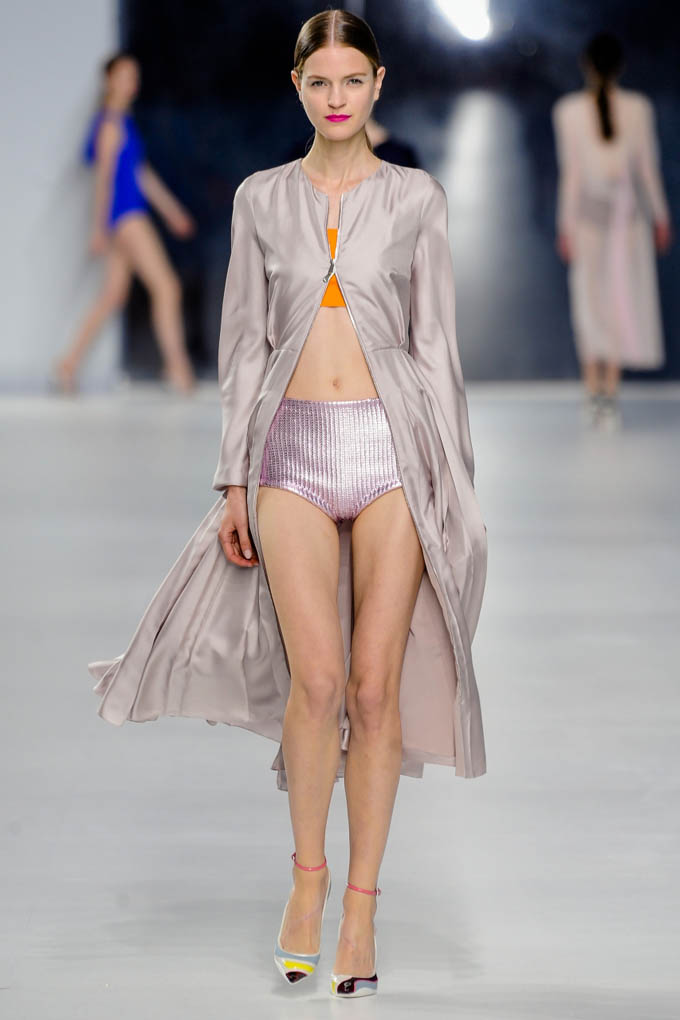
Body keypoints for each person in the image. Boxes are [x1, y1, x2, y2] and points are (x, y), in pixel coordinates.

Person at [88, 10, 487, 999]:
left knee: (374, 689)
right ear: (298, 86)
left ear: (378, 84)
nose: (336, 97)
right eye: (320, 81)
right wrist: (233, 477)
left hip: (393, 451)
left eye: (353, 79)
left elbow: (437, 347)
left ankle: (360, 907)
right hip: (288, 453)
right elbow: (241, 345)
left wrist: (455, 485)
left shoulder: (416, 198)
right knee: (316, 684)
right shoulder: (260, 199)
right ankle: (306, 883)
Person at [54, 54, 196, 393]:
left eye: (134, 76)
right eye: (125, 76)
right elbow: (104, 180)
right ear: (109, 81)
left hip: (125, 216)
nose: (132, 83)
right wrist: (99, 228)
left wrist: (171, 211)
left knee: (113, 295)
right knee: (167, 287)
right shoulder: (109, 125)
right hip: (127, 217)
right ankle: (177, 369)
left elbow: (139, 173)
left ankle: (68, 364)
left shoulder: (121, 122)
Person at [553, 33, 672, 429]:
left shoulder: (570, 110)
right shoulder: (636, 107)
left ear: (586, 65)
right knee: (617, 299)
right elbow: (647, 170)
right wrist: (661, 217)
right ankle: (607, 394)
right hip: (622, 219)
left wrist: (565, 225)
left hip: (607, 220)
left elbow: (573, 175)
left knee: (595, 302)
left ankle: (596, 394)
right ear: (621, 67)